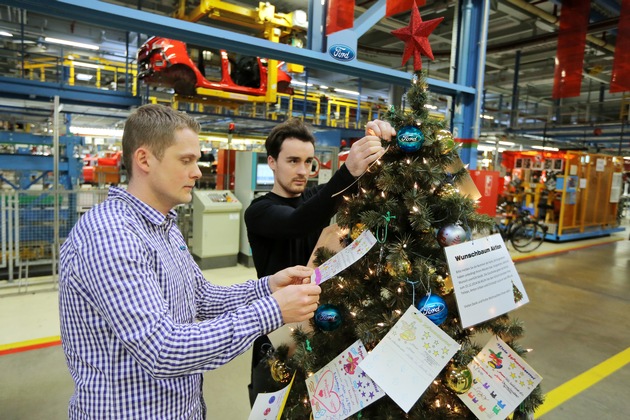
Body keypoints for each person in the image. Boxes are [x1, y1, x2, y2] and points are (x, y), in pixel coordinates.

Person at [58, 104, 321, 419]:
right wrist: (273, 310)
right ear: (144, 159)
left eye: (196, 160)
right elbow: (162, 350)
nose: (197, 172)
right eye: (186, 160)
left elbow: (201, 297)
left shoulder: (164, 226)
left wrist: (267, 288)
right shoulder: (112, 235)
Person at [244, 117, 396, 403]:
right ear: (272, 162)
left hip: (322, 327)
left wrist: (379, 141)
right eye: (293, 161)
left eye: (308, 162)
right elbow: (298, 222)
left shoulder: (315, 199)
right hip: (275, 335)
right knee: (272, 404)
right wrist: (347, 169)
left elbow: (334, 195)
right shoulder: (260, 210)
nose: (303, 171)